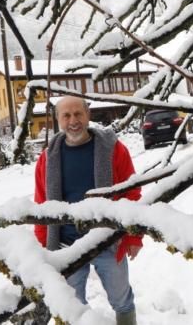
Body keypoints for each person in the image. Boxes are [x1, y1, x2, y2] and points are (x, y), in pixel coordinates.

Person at [33, 95, 142, 325]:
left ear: (88, 115)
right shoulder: (48, 158)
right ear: (58, 120)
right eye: (66, 115)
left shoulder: (113, 148)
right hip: (66, 245)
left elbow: (131, 193)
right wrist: (43, 247)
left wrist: (133, 235)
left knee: (121, 299)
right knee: (71, 306)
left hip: (107, 239)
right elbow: (42, 203)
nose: (73, 120)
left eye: (78, 114)